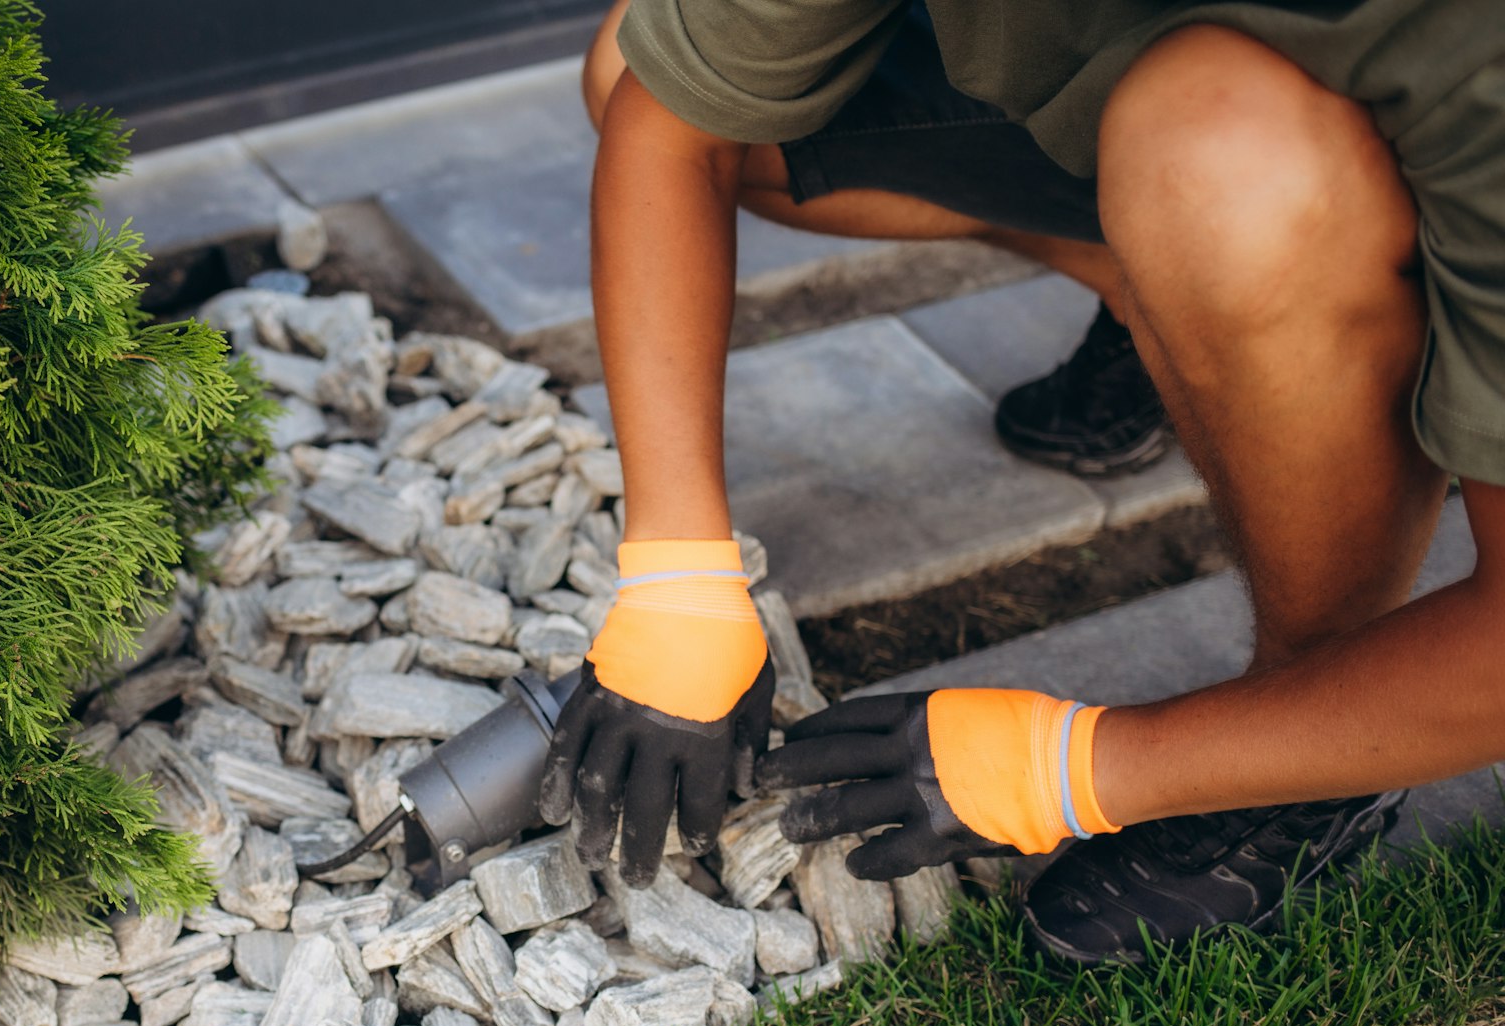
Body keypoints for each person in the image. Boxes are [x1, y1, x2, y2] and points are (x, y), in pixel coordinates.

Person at [540, 0, 1505, 963]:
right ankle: (1181, 303)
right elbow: (673, 124)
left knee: (1215, 151)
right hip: (1184, 118)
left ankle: (1303, 751)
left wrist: (1079, 767)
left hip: (1366, 157)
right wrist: (679, 580)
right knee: (639, 54)